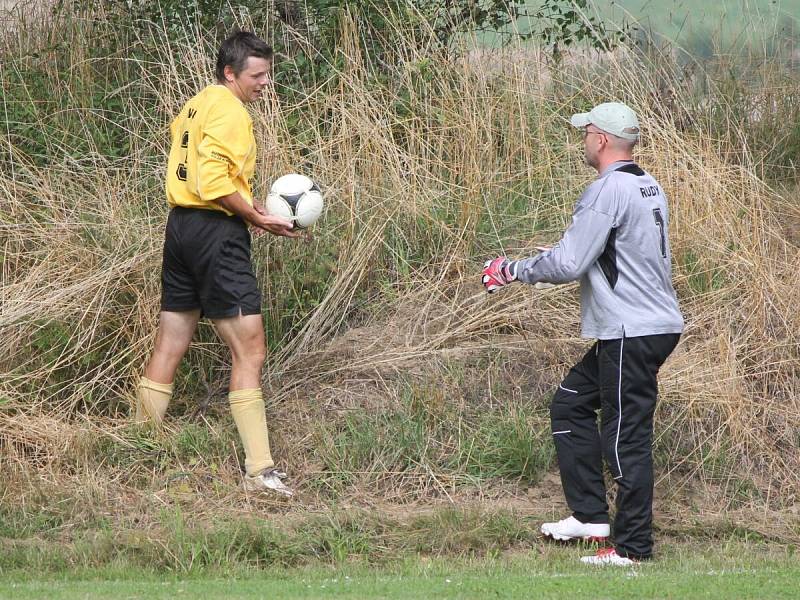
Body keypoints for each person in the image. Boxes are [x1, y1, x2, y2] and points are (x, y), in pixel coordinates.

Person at [482, 102, 683, 566]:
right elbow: (595, 251)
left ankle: (632, 548)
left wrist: (512, 270)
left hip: (630, 331)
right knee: (570, 403)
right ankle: (591, 516)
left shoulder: (605, 190)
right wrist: (549, 256)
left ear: (602, 140)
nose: (583, 140)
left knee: (624, 437)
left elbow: (572, 263)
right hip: (647, 325)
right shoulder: (646, 184)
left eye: (587, 132)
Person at [134, 31, 300, 498]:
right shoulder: (231, 110)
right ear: (231, 73)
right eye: (257, 75)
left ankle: (135, 449)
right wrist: (257, 218)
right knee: (250, 351)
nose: (265, 83)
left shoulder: (194, 104)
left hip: (179, 229)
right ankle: (260, 470)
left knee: (170, 342)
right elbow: (212, 181)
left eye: (268, 74)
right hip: (215, 232)